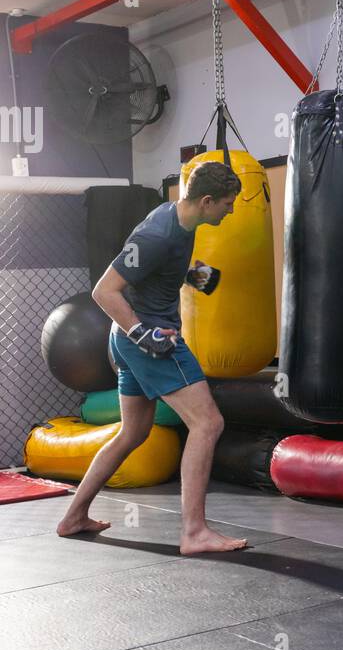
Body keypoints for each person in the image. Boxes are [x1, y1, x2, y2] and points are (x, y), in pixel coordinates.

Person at [56, 161, 249, 555]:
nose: (230, 211)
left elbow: (161, 270)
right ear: (207, 200)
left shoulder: (181, 220)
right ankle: (194, 532)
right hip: (149, 338)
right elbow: (103, 291)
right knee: (208, 423)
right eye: (227, 204)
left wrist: (201, 278)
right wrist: (143, 334)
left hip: (129, 341)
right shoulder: (159, 233)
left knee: (133, 433)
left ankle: (73, 516)